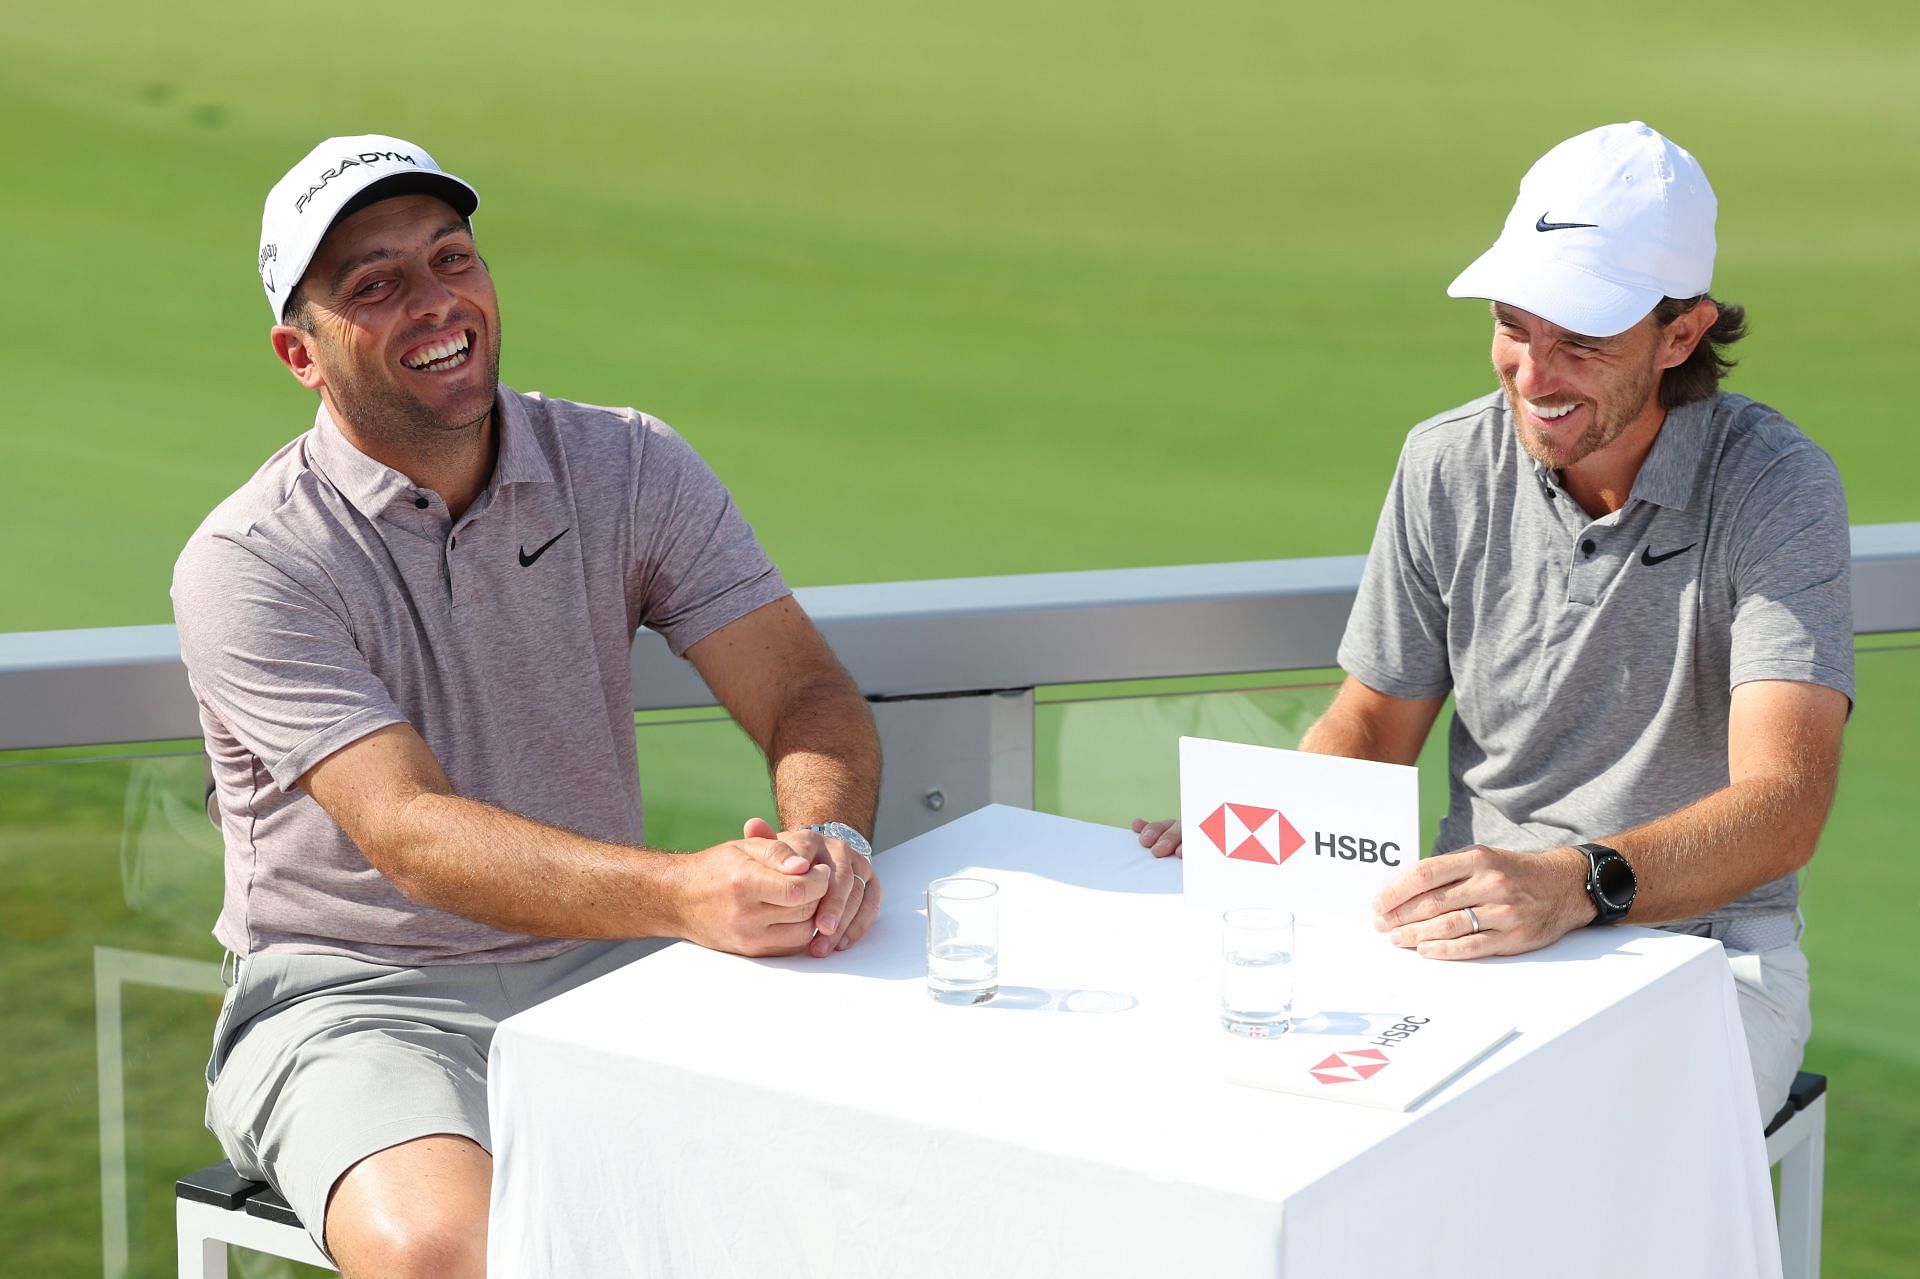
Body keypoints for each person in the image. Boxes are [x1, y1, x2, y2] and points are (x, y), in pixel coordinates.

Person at [172, 135, 883, 1278]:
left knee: (876, 1171)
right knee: (450, 1253)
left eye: (451, 257)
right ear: (297, 352)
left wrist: (829, 834)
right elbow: (411, 834)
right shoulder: (249, 560)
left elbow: (802, 688)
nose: (435, 300)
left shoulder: (628, 463)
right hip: (358, 1002)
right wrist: (687, 891)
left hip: (620, 965)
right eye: (375, 284)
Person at [1134, 122, 1851, 1123]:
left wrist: (1574, 883)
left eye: (1581, 342)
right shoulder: (1446, 463)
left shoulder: (1776, 485)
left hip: (1709, 962)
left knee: (1550, 1159)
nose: (1533, 373)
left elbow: (1784, 804)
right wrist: (1262, 820)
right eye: (1516, 325)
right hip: (1466, 940)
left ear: (1681, 334)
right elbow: (1373, 726)